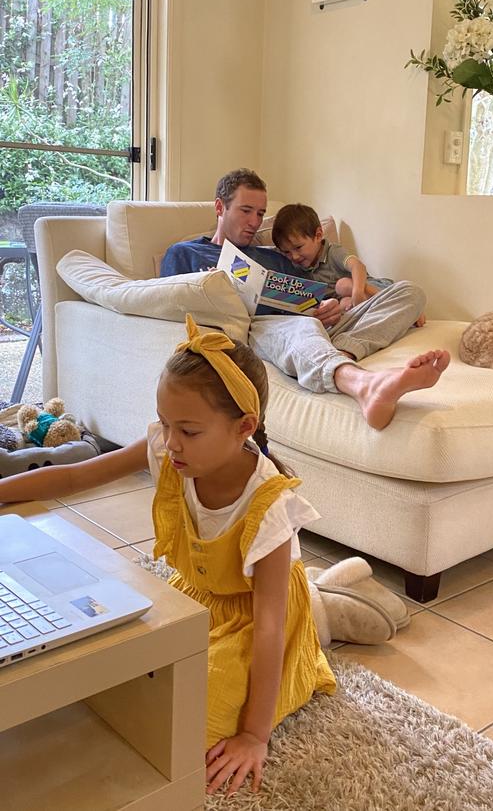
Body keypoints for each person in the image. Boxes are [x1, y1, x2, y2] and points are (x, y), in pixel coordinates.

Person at [0, 315, 336, 797]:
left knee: (184, 727)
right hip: (198, 595)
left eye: (189, 431)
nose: (171, 441)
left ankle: (322, 607)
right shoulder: (169, 447)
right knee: (120, 680)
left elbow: (268, 626)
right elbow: (76, 478)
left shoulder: (270, 506)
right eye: (164, 423)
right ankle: (326, 596)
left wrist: (253, 736)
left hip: (253, 618)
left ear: (244, 427)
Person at [161, 168, 451, 430]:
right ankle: (364, 385)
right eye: (246, 210)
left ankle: (340, 352)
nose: (254, 222)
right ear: (220, 207)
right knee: (302, 328)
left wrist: (329, 306)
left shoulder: (275, 255)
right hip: (263, 326)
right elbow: (172, 304)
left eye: (260, 214)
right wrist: (209, 283)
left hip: (317, 324)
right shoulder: (186, 253)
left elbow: (316, 292)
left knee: (411, 292)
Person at [271, 202, 393, 311]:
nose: (294, 257)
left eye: (298, 248)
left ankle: (391, 301)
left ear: (318, 236)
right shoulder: (298, 268)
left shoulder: (332, 252)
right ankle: (378, 309)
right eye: (287, 252)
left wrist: (357, 292)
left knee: (342, 285)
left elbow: (357, 266)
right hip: (349, 299)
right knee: (343, 304)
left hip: (371, 287)